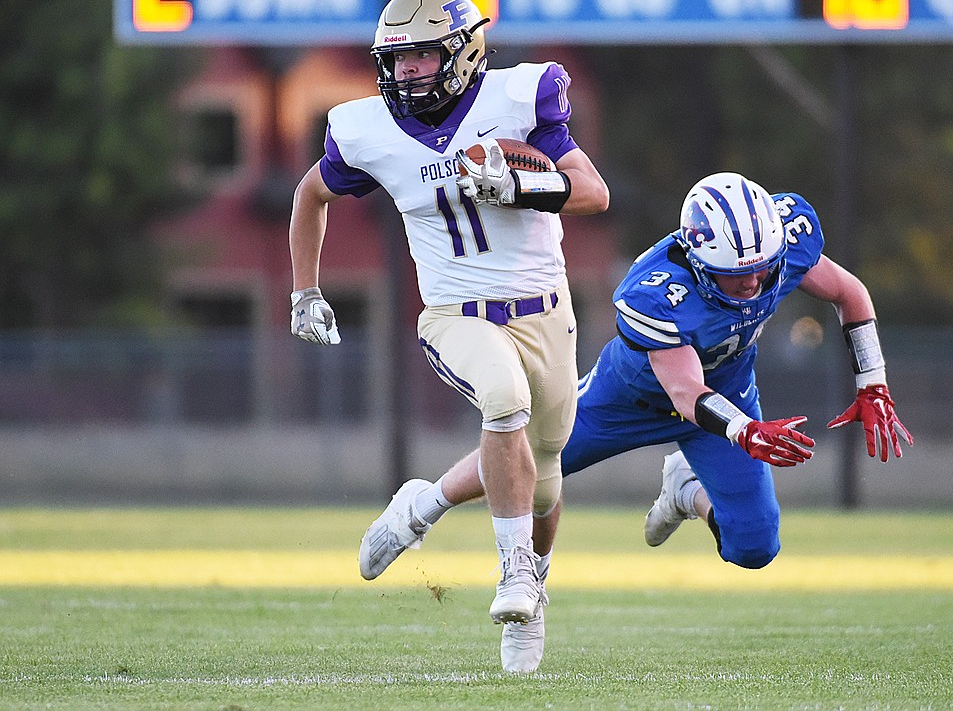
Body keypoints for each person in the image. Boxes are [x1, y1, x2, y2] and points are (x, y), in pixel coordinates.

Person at [358, 171, 912, 670]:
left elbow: (850, 294)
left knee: (755, 548)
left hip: (725, 400)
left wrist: (873, 381)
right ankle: (422, 507)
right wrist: (745, 429)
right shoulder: (655, 289)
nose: (751, 286)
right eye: (733, 277)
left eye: (760, 272)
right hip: (631, 401)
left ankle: (683, 492)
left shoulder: (782, 243)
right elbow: (685, 391)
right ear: (697, 260)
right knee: (526, 459)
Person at [287, 0, 609, 673]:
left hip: (546, 312)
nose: (405, 74)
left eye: (420, 58)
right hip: (454, 314)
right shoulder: (366, 129)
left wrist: (522, 186)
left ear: (462, 54)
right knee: (503, 401)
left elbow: (593, 192)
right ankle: (514, 572)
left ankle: (432, 513)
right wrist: (303, 290)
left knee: (547, 475)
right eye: (395, 61)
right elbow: (310, 193)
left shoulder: (520, 97)